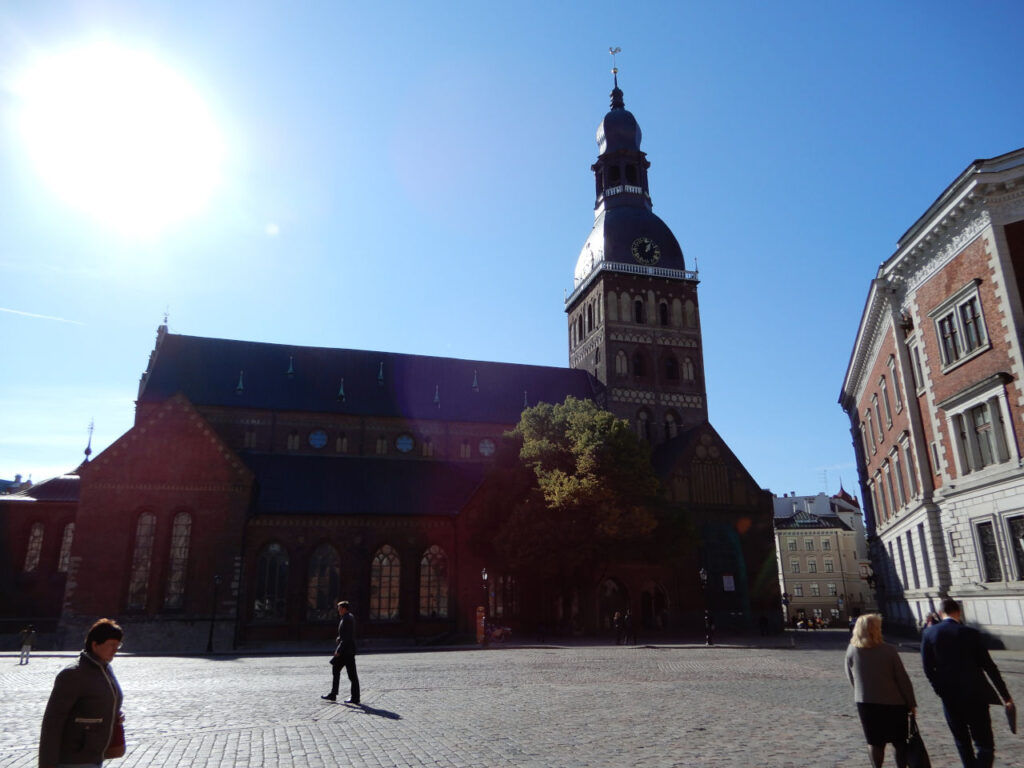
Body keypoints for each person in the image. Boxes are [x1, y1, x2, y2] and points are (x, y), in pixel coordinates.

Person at [921, 597, 1014, 768]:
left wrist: (940, 690)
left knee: (962, 742)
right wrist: (1005, 695)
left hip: (950, 698)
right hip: (976, 695)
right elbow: (990, 667)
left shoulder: (929, 633)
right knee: (985, 744)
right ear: (958, 612)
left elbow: (928, 669)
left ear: (941, 614)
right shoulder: (971, 633)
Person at [40, 618, 124, 768]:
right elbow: (52, 723)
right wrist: (47, 765)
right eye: (111, 644)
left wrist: (112, 713)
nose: (115, 650)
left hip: (94, 756)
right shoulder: (73, 674)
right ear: (95, 644)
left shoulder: (105, 669)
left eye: (118, 645)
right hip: (73, 759)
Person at [845, 613, 916, 768]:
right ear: (875, 629)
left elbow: (851, 678)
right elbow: (902, 680)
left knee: (874, 742)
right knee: (899, 742)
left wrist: (863, 692)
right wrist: (911, 703)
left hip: (866, 703)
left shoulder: (852, 650)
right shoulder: (888, 650)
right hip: (894, 703)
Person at [323, 601, 360, 705]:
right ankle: (333, 694)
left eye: (339, 608)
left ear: (344, 608)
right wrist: (339, 638)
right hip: (347, 650)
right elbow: (346, 635)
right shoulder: (347, 617)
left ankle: (354, 697)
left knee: (352, 675)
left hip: (346, 651)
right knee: (336, 669)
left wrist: (338, 650)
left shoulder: (347, 619)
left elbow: (347, 637)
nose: (338, 610)